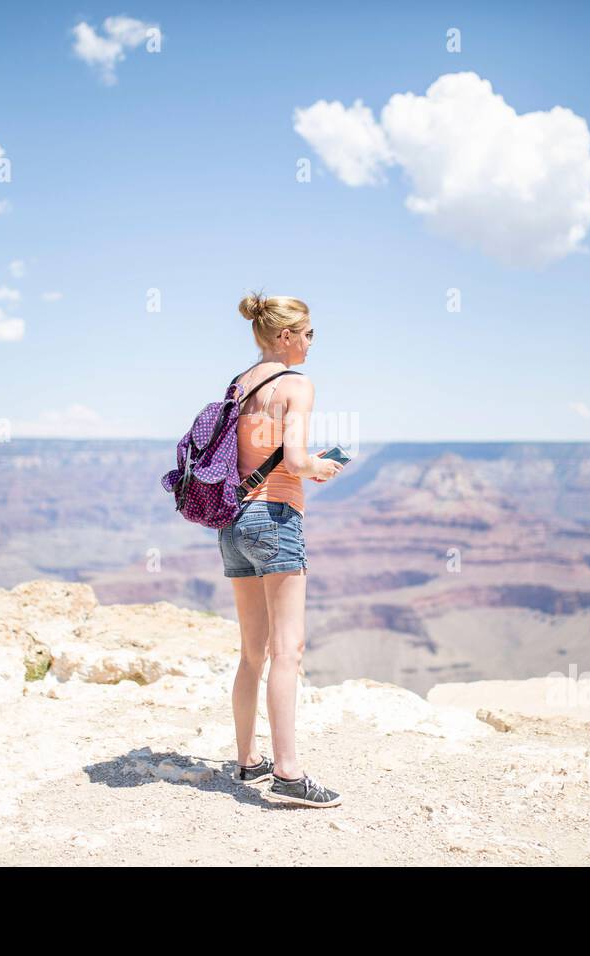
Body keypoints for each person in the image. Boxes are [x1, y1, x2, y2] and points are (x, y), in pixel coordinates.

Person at [222, 292, 344, 807]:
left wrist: (300, 464)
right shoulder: (296, 384)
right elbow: (293, 458)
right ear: (287, 336)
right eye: (309, 333)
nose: (313, 343)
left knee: (252, 652)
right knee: (287, 651)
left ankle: (249, 761)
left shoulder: (239, 383)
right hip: (274, 518)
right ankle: (289, 775)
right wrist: (320, 466)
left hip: (233, 521)